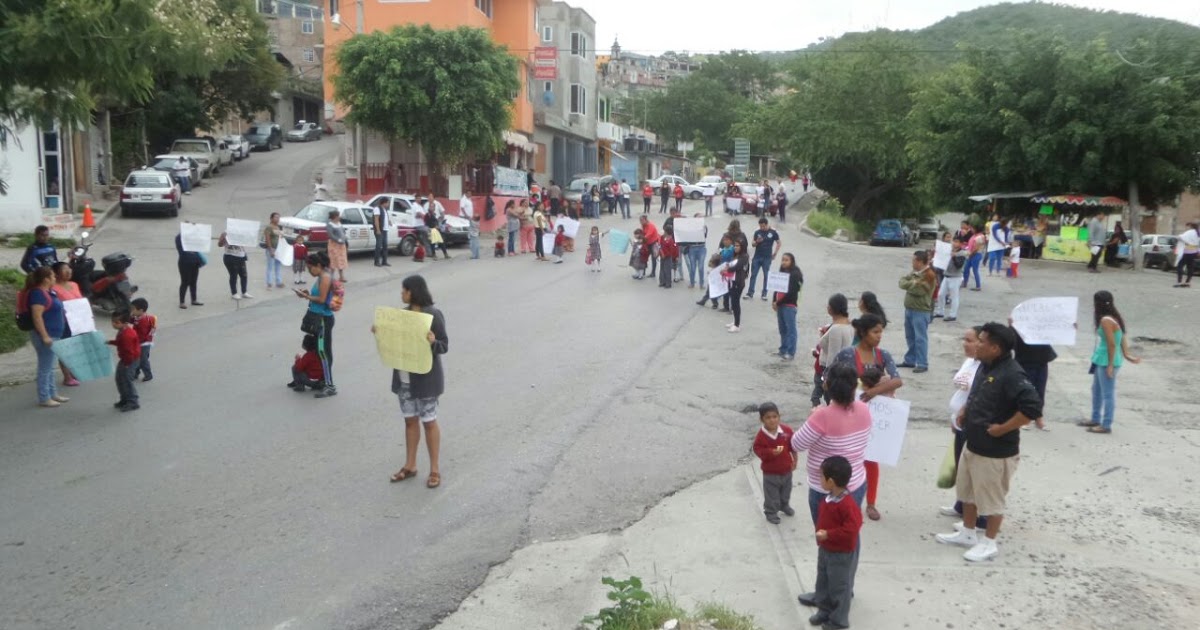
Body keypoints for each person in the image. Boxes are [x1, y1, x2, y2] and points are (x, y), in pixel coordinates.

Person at [935, 323, 1042, 562]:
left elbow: (1032, 408)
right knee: (968, 493)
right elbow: (977, 392)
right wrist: (965, 408)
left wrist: (1002, 428)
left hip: (995, 452)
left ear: (995, 348)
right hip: (973, 444)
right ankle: (968, 533)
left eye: (981, 341)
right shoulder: (985, 365)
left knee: (992, 501)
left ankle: (989, 542)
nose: (976, 344)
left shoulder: (1012, 374)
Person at [790, 362, 872, 612]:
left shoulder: (822, 415)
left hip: (825, 490)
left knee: (828, 542)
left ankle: (826, 593)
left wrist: (812, 417)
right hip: (856, 482)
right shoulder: (864, 409)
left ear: (827, 385)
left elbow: (796, 442)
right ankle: (845, 586)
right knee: (850, 536)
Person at [832, 313, 903, 522]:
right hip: (849, 413)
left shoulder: (883, 355)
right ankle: (841, 496)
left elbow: (898, 380)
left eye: (881, 332)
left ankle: (870, 503)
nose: (879, 336)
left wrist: (874, 391)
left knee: (871, 459)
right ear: (863, 333)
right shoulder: (847, 355)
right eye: (875, 332)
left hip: (874, 418)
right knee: (846, 456)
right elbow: (834, 378)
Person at [383, 275, 449, 490]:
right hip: (404, 378)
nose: (401, 294)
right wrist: (381, 332)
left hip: (426, 380)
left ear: (412, 291)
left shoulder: (432, 314)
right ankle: (410, 465)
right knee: (409, 422)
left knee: (429, 422)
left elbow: (444, 345)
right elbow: (394, 340)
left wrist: (433, 342)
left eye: (404, 290)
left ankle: (435, 469)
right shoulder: (403, 315)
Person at [939, 327, 989, 528]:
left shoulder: (986, 367)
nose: (965, 344)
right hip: (959, 422)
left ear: (980, 342)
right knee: (960, 466)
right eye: (964, 339)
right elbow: (961, 384)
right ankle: (961, 504)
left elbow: (975, 390)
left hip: (973, 423)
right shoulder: (969, 362)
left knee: (973, 469)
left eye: (970, 340)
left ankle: (981, 516)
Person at [810, 455, 863, 630]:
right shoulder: (829, 498)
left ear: (830, 481)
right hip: (826, 550)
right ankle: (824, 610)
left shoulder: (847, 505)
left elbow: (851, 530)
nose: (819, 479)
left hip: (840, 554)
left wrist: (828, 535)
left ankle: (839, 619)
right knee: (823, 581)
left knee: (839, 586)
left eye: (821, 476)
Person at [1078, 291, 1140, 434]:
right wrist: (1126, 354)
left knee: (1107, 393)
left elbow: (1112, 344)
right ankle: (1095, 418)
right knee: (1097, 390)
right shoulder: (1114, 318)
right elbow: (1121, 336)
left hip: (1106, 360)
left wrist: (1111, 365)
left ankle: (1106, 424)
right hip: (1103, 358)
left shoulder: (1106, 320)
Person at [22, 268, 68, 407]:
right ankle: (44, 397)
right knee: (45, 367)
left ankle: (52, 393)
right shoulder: (37, 294)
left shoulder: (49, 292)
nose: (55, 278)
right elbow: (37, 316)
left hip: (54, 334)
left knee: (50, 365)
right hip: (46, 335)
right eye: (53, 276)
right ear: (46, 279)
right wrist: (45, 336)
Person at [293, 251, 336, 398]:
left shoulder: (325, 277)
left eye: (311, 268)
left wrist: (306, 296)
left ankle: (330, 385)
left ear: (318, 265)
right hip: (319, 318)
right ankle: (324, 381)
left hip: (323, 319)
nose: (309, 271)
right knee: (320, 352)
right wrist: (307, 294)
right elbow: (317, 296)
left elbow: (322, 299)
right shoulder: (321, 276)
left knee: (323, 353)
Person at [753, 402, 796, 524]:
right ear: (761, 419)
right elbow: (758, 450)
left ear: (779, 416)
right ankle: (771, 512)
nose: (772, 420)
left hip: (787, 470)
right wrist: (771, 452)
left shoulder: (786, 431)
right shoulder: (761, 436)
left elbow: (793, 446)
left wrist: (795, 460)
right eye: (768, 417)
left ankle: (784, 505)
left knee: (786, 491)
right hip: (770, 473)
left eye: (774, 416)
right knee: (771, 495)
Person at [812, 294, 854, 408]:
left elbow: (833, 355)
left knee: (831, 400)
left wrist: (828, 378)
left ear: (831, 309)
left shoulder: (836, 329)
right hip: (846, 369)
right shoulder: (849, 326)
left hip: (834, 372)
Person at [898, 250, 936, 373]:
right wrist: (913, 283)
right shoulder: (915, 273)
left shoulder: (929, 275)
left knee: (920, 338)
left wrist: (910, 285)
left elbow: (919, 291)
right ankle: (910, 360)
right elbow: (901, 282)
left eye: (914, 260)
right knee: (910, 336)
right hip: (909, 309)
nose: (912, 262)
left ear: (920, 261)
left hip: (921, 311)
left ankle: (922, 363)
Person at [1011, 324, 1052, 431]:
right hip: (1025, 358)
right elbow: (1011, 340)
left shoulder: (1046, 320)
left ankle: (1038, 417)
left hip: (1041, 359)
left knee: (1040, 389)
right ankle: (1024, 417)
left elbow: (1058, 330)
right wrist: (1011, 325)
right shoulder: (1023, 316)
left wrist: (1070, 327)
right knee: (1026, 390)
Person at [50, 262, 82, 386]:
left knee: (76, 347)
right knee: (65, 348)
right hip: (63, 322)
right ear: (56, 274)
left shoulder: (74, 284)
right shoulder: (53, 288)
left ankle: (74, 372)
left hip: (77, 321)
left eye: (69, 268)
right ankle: (67, 376)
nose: (69, 271)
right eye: (64, 269)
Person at [106, 310, 141, 412]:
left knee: (126, 381)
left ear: (125, 323)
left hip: (129, 360)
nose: (113, 324)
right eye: (112, 321)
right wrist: (111, 342)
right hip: (126, 359)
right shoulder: (123, 331)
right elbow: (120, 343)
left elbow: (129, 352)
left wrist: (126, 364)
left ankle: (133, 402)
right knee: (119, 379)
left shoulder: (127, 335)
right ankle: (124, 399)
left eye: (116, 322)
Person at [773, 252, 803, 360]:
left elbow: (791, 292)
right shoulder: (782, 270)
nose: (784, 262)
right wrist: (774, 300)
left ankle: (791, 352)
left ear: (792, 261)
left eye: (786, 260)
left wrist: (778, 303)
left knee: (791, 330)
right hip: (780, 303)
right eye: (783, 260)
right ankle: (783, 349)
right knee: (782, 329)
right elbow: (776, 285)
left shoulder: (795, 274)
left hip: (789, 305)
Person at [746, 217, 781, 300]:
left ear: (767, 224)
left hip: (767, 257)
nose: (762, 228)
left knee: (766, 276)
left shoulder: (773, 232)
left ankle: (764, 294)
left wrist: (775, 253)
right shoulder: (757, 232)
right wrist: (757, 241)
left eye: (763, 226)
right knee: (753, 275)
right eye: (760, 226)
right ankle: (750, 293)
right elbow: (753, 244)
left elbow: (779, 243)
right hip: (757, 257)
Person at [936, 238, 967, 322]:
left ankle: (953, 315)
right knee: (940, 294)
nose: (954, 243)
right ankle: (940, 312)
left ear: (961, 244)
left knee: (954, 297)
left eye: (956, 242)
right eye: (953, 241)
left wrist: (953, 257)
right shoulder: (948, 251)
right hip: (946, 275)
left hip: (955, 277)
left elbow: (959, 265)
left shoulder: (962, 253)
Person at [217, 230, 252, 300]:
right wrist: (224, 237)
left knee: (244, 275)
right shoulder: (225, 233)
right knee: (233, 275)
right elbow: (219, 244)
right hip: (230, 256)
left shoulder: (241, 233)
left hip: (241, 256)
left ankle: (244, 292)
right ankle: (234, 293)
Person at [724, 240, 750, 333]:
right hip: (732, 281)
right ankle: (735, 321)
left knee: (735, 303)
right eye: (735, 246)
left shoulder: (744, 256)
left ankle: (737, 325)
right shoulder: (736, 255)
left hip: (738, 282)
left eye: (738, 246)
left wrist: (727, 269)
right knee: (734, 302)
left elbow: (737, 267)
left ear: (742, 246)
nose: (735, 247)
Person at [175, 228, 204, 309]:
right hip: (184, 262)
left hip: (195, 262)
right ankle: (182, 302)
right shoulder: (179, 237)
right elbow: (179, 245)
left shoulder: (193, 237)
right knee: (185, 282)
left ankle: (194, 300)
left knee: (193, 282)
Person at [130, 298, 156, 382]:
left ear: (140, 310)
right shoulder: (139, 317)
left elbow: (142, 335)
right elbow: (133, 321)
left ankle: (148, 375)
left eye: (133, 309)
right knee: (136, 359)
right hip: (140, 343)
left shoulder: (143, 321)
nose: (131, 311)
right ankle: (135, 373)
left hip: (143, 344)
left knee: (142, 360)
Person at [680, 213, 708, 289]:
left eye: (701, 218)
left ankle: (701, 284)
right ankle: (692, 283)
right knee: (693, 267)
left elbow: (704, 235)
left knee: (701, 267)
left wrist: (702, 227)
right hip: (692, 248)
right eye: (698, 218)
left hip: (701, 248)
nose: (699, 220)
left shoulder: (704, 227)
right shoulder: (690, 228)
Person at [325, 209, 349, 282]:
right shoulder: (330, 224)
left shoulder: (339, 223)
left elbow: (343, 232)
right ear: (335, 216)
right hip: (334, 245)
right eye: (338, 215)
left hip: (341, 245)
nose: (340, 217)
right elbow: (330, 235)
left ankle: (341, 276)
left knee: (341, 260)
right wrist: (338, 240)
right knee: (333, 260)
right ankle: (331, 277)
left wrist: (344, 238)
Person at [1174, 221, 1199, 288]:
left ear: (1190, 226)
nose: (1186, 227)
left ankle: (1179, 282)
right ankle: (1187, 282)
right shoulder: (1198, 233)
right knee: (1190, 267)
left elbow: (1181, 237)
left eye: (1187, 226)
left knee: (1180, 266)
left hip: (1186, 251)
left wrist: (1178, 237)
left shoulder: (1189, 232)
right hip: (1194, 252)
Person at [262, 212, 284, 288]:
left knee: (278, 266)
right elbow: (267, 239)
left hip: (278, 249)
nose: (277, 219)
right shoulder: (269, 227)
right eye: (276, 217)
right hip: (272, 249)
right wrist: (270, 249)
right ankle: (269, 282)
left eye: (278, 217)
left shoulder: (278, 227)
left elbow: (280, 238)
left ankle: (279, 282)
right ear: (271, 218)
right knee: (270, 266)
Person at [962, 226, 985, 291]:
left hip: (976, 254)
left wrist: (971, 254)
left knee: (975, 270)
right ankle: (964, 282)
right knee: (966, 268)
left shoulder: (980, 237)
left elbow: (977, 248)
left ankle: (978, 286)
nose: (971, 229)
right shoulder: (974, 235)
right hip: (972, 254)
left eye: (972, 228)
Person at [371, 199, 391, 267]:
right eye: (387, 203)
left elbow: (385, 217)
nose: (388, 204)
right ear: (384, 203)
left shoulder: (384, 209)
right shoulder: (377, 208)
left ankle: (384, 261)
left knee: (385, 246)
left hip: (385, 230)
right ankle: (376, 262)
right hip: (380, 230)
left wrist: (389, 221)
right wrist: (378, 229)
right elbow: (376, 219)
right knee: (378, 246)